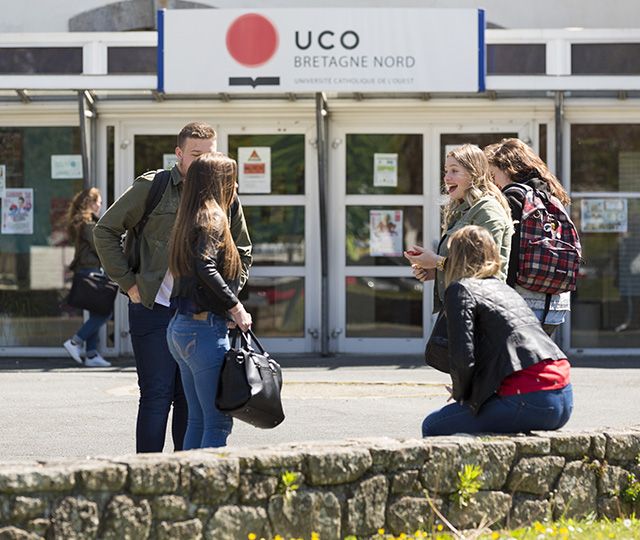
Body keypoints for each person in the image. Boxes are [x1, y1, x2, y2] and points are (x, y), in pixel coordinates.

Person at [94, 122, 252, 453]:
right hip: (154, 308)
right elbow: (105, 230)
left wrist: (227, 300)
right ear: (178, 153)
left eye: (211, 154)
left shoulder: (226, 194)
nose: (204, 162)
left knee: (189, 403)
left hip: (197, 314)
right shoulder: (154, 186)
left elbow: (243, 250)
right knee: (156, 395)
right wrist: (129, 284)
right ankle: (148, 479)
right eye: (196, 154)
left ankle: (182, 477)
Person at [422, 225, 573, 436]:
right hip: (563, 396)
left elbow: (463, 356)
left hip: (530, 397)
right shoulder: (505, 289)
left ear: (454, 257)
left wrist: (461, 394)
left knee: (434, 425)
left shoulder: (461, 289)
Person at [167, 153, 252, 449]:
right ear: (218, 183)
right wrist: (235, 306)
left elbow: (194, 276)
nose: (236, 186)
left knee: (198, 419)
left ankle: (188, 487)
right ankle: (207, 494)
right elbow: (205, 267)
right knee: (217, 422)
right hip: (203, 332)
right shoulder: (213, 218)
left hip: (181, 328)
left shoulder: (189, 217)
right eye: (231, 180)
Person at [404, 144, 513, 314]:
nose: (446, 178)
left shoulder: (488, 209)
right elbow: (463, 263)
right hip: (459, 307)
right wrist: (435, 271)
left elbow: (486, 267)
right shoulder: (462, 210)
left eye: (454, 171)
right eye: (446, 171)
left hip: (480, 311)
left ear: (474, 173)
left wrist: (437, 262)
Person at [484, 138, 571, 335]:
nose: (491, 181)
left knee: (512, 364)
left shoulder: (512, 198)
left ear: (508, 169)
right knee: (535, 362)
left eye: (493, 174)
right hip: (556, 303)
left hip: (522, 302)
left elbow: (510, 252)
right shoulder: (550, 196)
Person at [63, 188, 112, 368]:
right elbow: (99, 245)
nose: (100, 205)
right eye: (98, 202)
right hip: (91, 271)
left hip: (87, 270)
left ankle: (91, 354)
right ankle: (75, 341)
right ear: (90, 203)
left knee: (96, 312)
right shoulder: (88, 223)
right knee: (104, 313)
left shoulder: (81, 222)